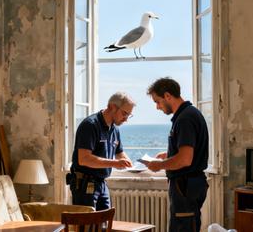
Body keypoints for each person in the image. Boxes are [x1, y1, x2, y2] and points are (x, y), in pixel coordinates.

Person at [142, 78, 210, 232]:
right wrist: (168, 154)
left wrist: (158, 165)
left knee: (183, 228)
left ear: (167, 96)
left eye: (157, 102)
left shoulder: (185, 119)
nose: (157, 107)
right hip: (189, 184)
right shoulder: (188, 114)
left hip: (185, 185)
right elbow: (190, 149)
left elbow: (185, 159)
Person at [68, 92, 135, 211]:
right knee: (88, 226)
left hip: (102, 184)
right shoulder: (90, 125)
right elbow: (84, 159)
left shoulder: (115, 130)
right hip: (84, 184)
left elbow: (120, 153)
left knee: (104, 224)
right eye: (124, 113)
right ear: (112, 106)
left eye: (129, 115)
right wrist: (115, 163)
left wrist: (129, 162)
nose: (126, 119)